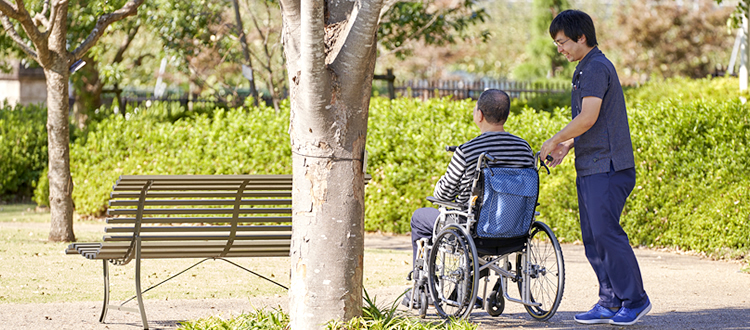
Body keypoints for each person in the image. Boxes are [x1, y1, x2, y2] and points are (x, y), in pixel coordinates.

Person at [539, 9, 651, 326]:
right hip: (592, 166)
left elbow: (587, 118)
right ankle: (609, 300)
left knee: (606, 234)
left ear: (581, 37)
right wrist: (568, 145)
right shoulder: (586, 68)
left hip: (609, 167)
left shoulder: (596, 68)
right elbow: (596, 124)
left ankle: (635, 299)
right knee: (593, 237)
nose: (559, 49)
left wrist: (554, 139)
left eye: (562, 42)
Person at [403, 89, 535, 308]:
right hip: (514, 230)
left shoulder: (468, 150)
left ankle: (426, 288)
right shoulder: (524, 149)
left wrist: (438, 188)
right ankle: (461, 291)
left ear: (479, 115)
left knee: (420, 218)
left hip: (471, 230)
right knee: (484, 222)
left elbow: (444, 194)